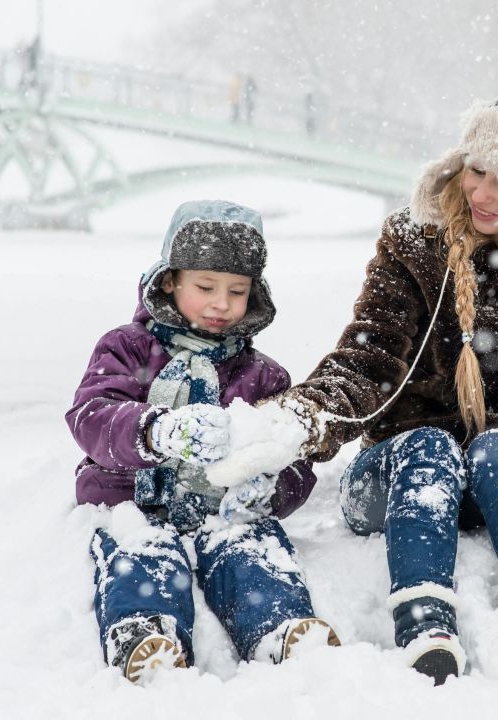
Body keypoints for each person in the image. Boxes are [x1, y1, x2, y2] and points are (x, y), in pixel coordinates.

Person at [253, 92, 498, 684]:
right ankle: (425, 625)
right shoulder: (416, 242)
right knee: (428, 449)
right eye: (475, 170)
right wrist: (297, 420)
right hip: (401, 475)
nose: (480, 194)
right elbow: (367, 359)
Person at [66, 200, 338, 684]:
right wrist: (155, 430)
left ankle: (279, 626)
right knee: (142, 550)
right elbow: (92, 415)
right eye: (206, 287)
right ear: (170, 280)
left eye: (237, 291)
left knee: (251, 548)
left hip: (222, 510)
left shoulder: (263, 375)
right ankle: (146, 630)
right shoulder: (127, 348)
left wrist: (270, 487)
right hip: (131, 500)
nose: (221, 304)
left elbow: (292, 458)